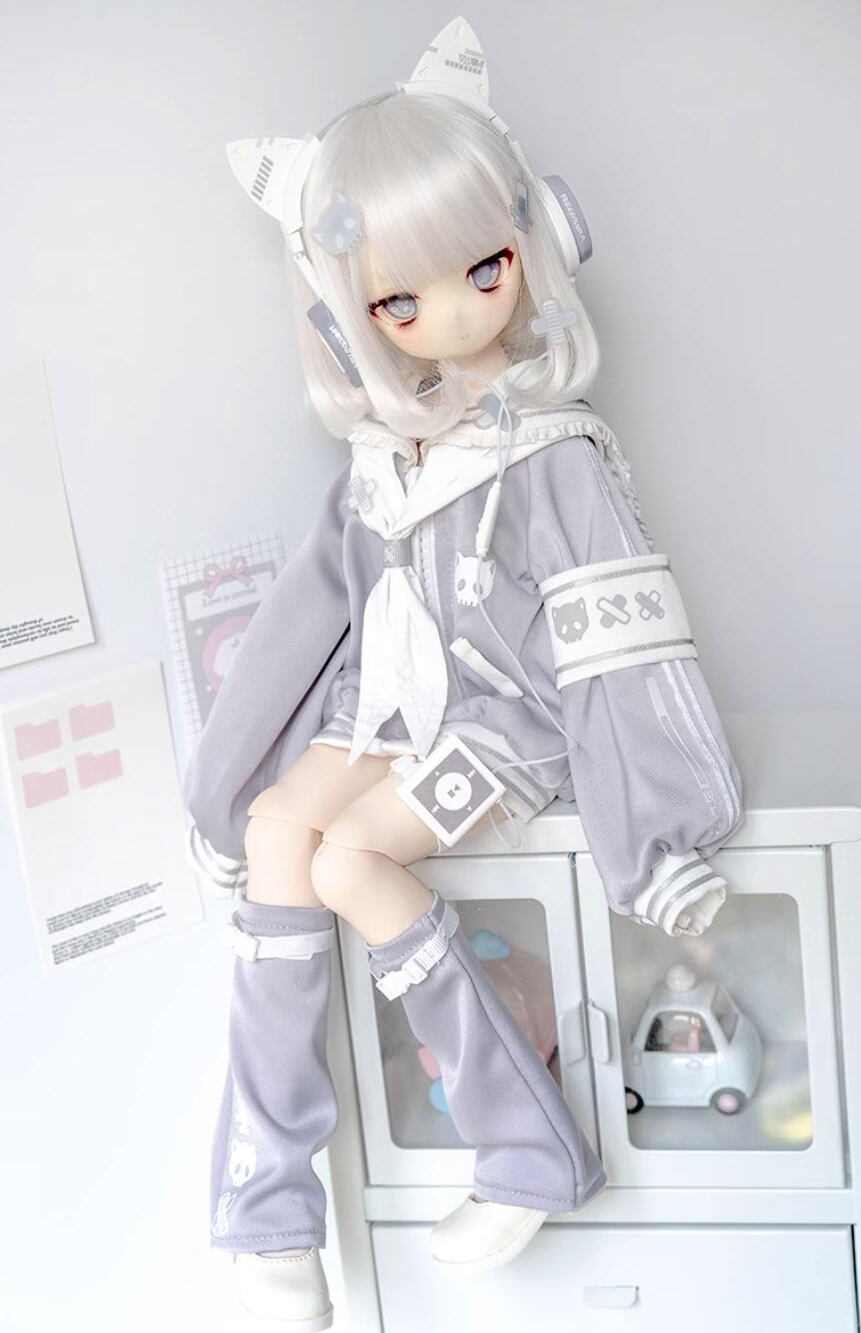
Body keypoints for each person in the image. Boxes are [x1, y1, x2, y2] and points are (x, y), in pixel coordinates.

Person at [184, 17, 744, 1327]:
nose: (446, 312)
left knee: (346, 862)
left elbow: (616, 641)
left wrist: (655, 835)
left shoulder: (555, 450)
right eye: (398, 301)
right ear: (357, 315)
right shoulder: (382, 462)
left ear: (531, 241)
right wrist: (219, 787)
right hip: (381, 707)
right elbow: (301, 625)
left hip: (504, 715)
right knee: (272, 836)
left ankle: (527, 1144)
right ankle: (269, 1208)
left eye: (483, 266)